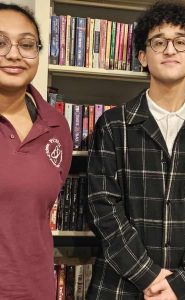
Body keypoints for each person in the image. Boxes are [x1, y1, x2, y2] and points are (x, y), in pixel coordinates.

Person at [87, 1, 185, 299]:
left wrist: (182, 283)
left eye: (180, 42)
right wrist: (148, 276)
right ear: (143, 56)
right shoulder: (114, 125)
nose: (169, 50)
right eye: (159, 42)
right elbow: (102, 206)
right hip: (121, 284)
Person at [0, 4, 72, 299]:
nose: (14, 54)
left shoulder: (56, 127)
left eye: (27, 44)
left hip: (33, 289)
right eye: (0, 43)